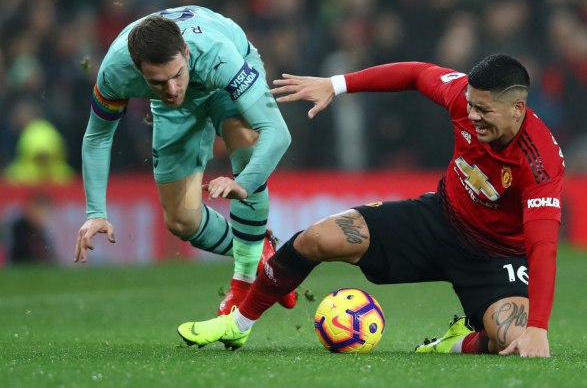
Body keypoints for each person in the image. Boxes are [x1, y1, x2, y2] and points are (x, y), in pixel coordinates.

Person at [177, 54, 564, 358]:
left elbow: (543, 247)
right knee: (317, 238)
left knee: (513, 339)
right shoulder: (464, 98)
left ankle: (456, 343)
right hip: (439, 220)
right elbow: (416, 73)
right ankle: (238, 324)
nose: (473, 116)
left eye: (484, 111)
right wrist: (336, 85)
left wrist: (538, 329)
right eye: (471, 105)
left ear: (517, 109)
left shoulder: (539, 163)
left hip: (495, 257)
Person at [74, 6, 296, 313]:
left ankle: (242, 284)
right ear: (138, 69)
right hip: (173, 112)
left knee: (247, 146)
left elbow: (278, 133)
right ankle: (259, 252)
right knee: (182, 220)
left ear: (186, 53)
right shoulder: (115, 71)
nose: (172, 88)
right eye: (158, 82)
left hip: (223, 82)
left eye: (177, 74)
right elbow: (98, 137)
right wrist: (96, 212)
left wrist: (243, 183)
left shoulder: (218, 55)